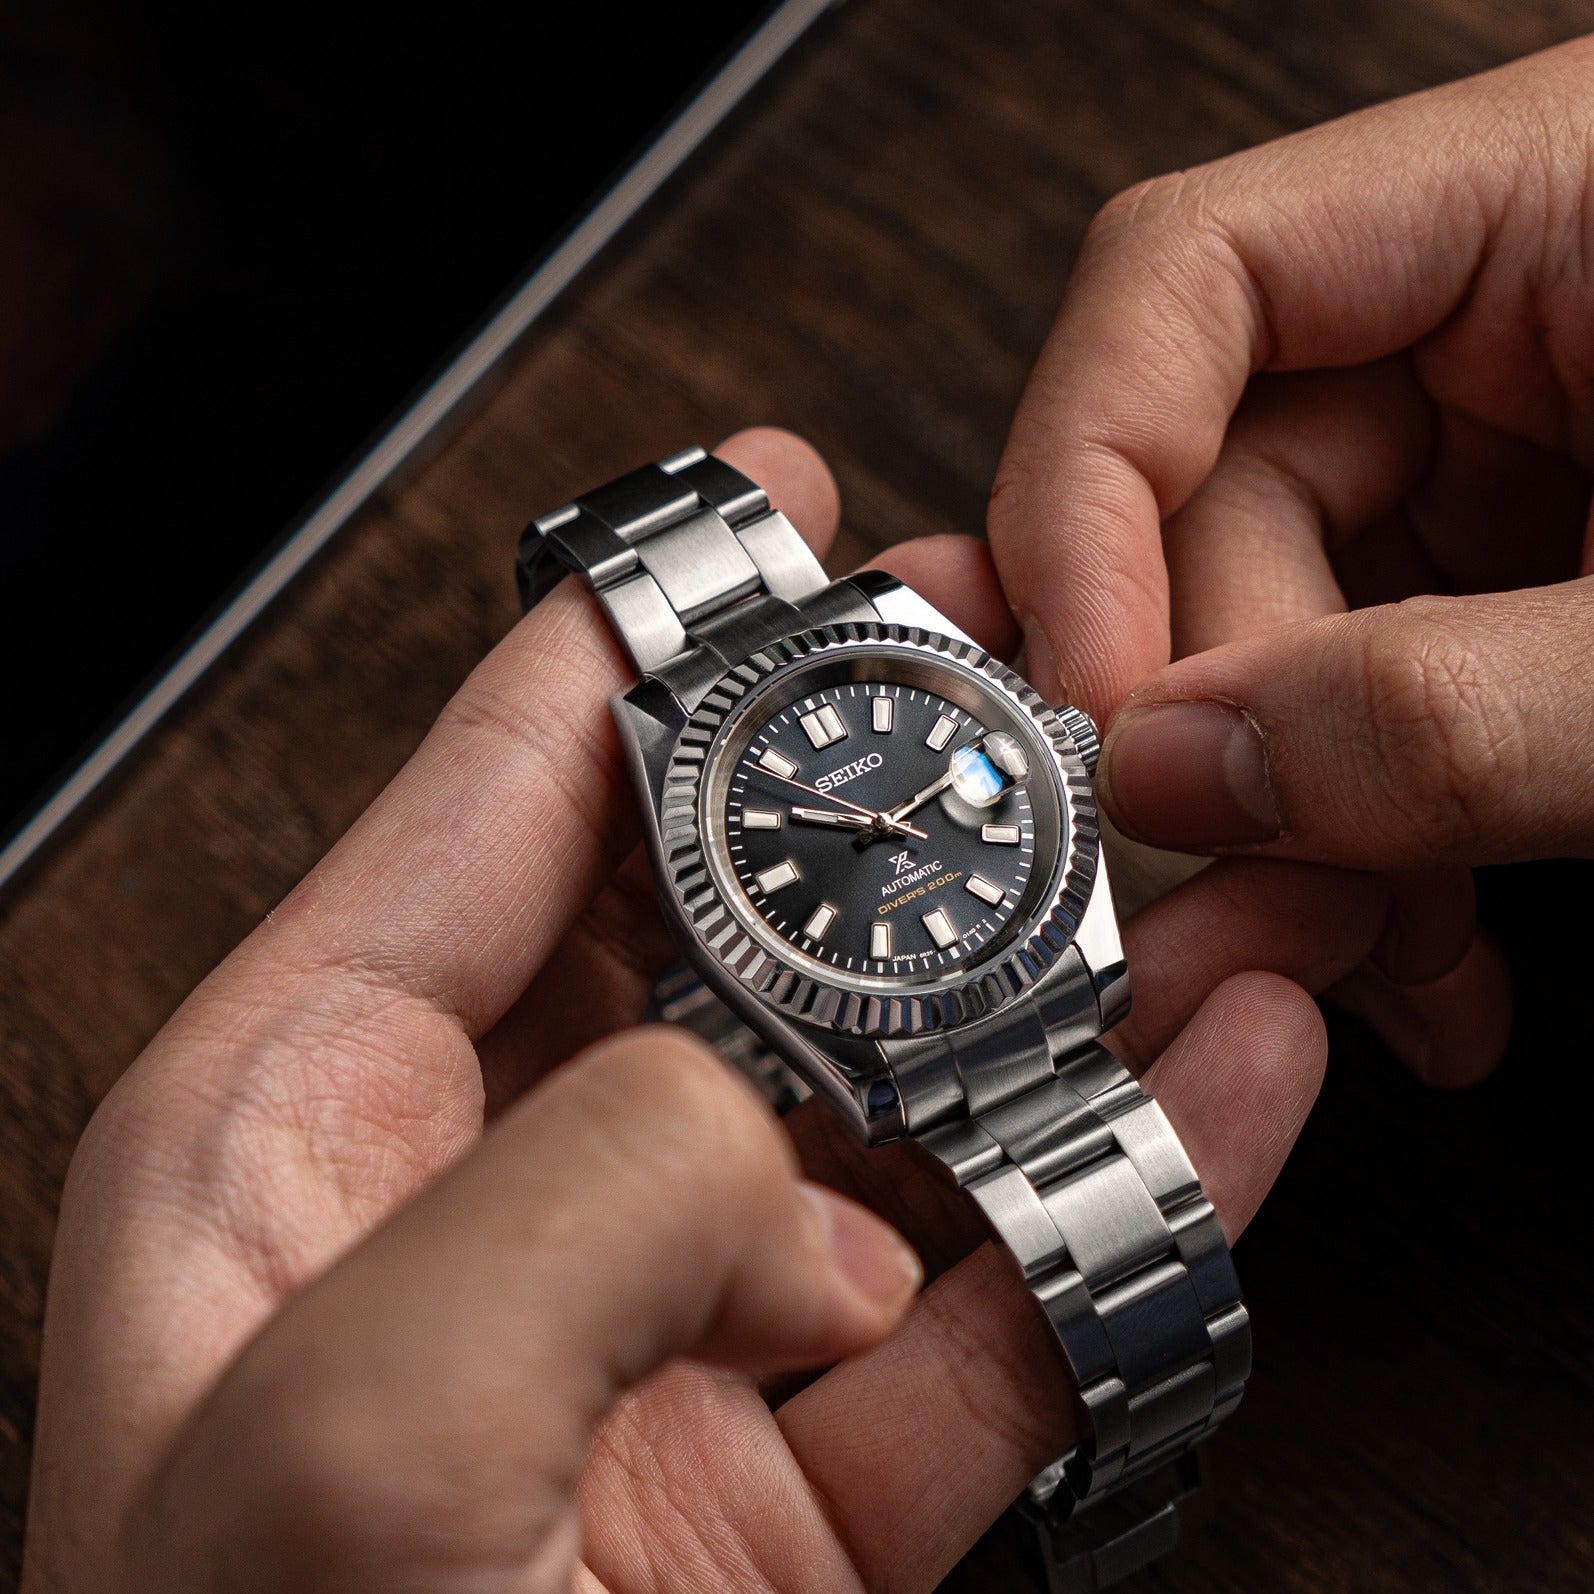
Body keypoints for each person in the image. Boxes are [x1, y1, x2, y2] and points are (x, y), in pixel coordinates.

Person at [22, 35, 1593, 1594]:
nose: (896, 822)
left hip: (1006, 951)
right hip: (923, 1007)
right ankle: (1118, 1474)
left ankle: (1117, 1465)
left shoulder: (961, 716)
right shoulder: (743, 882)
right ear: (718, 945)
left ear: (1041, 741)